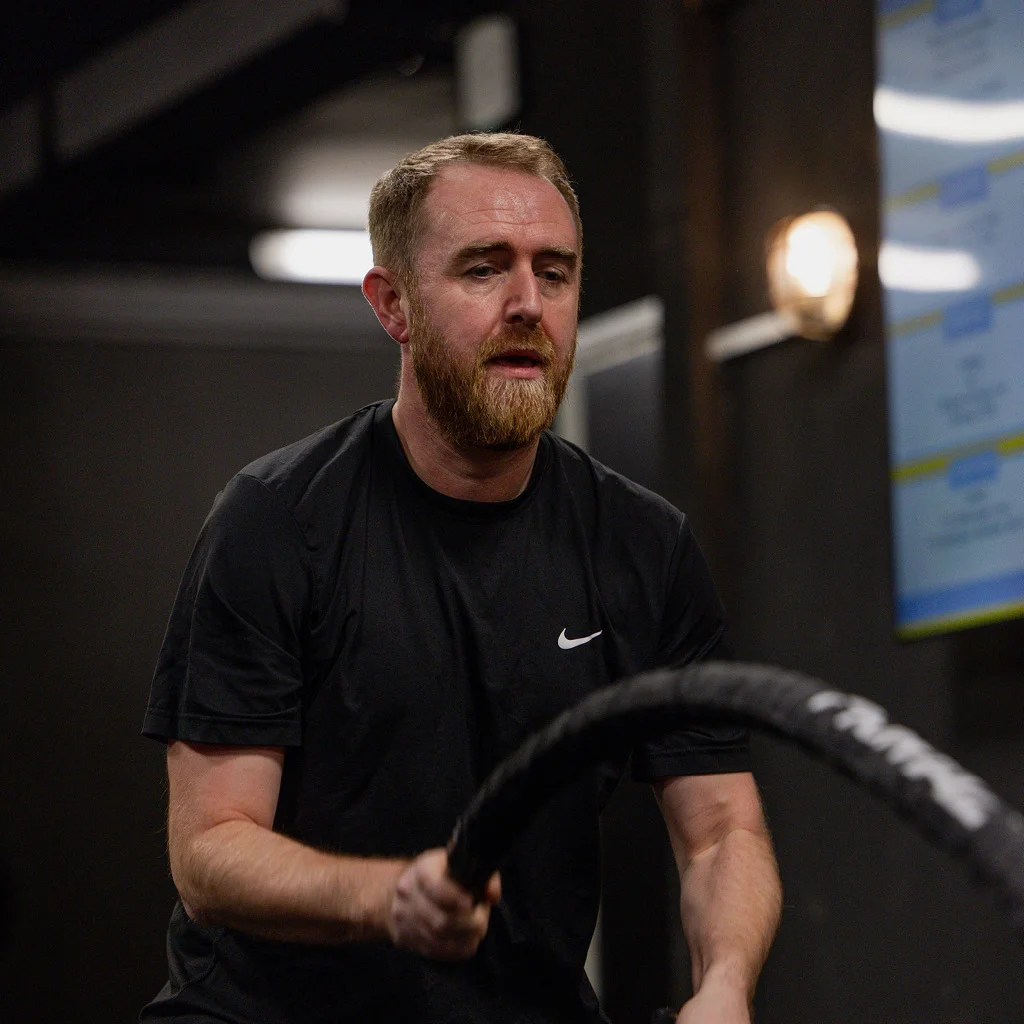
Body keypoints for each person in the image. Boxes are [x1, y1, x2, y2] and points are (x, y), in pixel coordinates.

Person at [140, 132, 781, 1024]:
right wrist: (387, 896)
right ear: (392, 305)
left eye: (554, 273)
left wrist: (724, 986)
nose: (528, 305)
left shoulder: (643, 545)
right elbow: (211, 849)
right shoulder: (277, 521)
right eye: (484, 269)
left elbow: (720, 832)